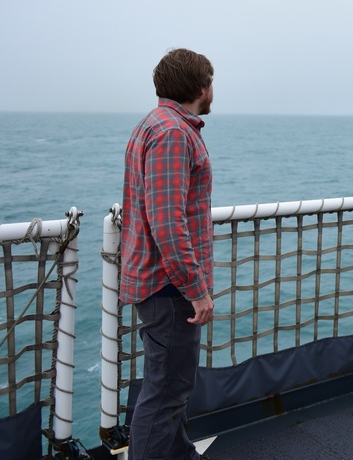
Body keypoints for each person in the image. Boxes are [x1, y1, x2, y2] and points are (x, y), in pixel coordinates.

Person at [120, 48, 216, 460]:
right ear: (200, 87)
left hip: (158, 282)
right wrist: (196, 289)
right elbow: (166, 223)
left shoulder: (154, 125)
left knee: (171, 386)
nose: (214, 89)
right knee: (165, 393)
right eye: (211, 81)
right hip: (169, 287)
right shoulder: (174, 133)